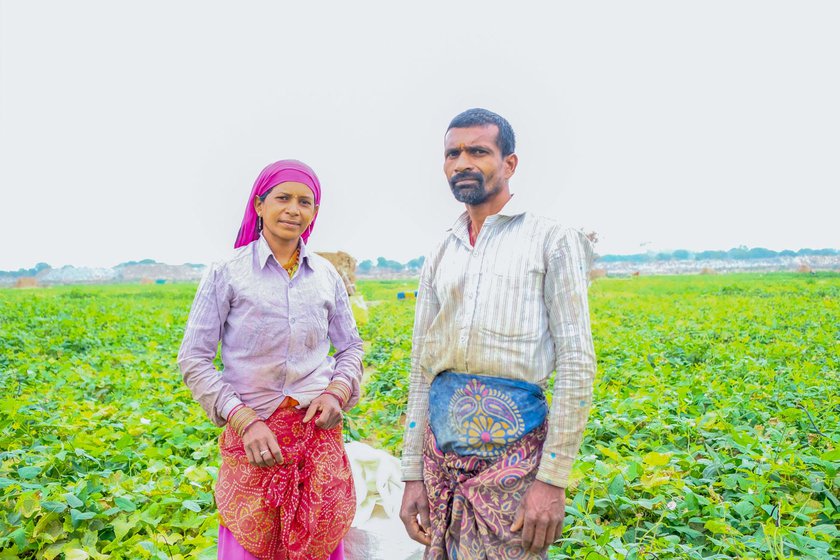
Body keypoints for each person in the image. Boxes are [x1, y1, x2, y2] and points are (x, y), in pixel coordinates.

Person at [398, 109, 597, 559]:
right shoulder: (441, 251)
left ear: (509, 164)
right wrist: (412, 472)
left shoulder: (552, 240)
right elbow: (420, 368)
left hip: (518, 464)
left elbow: (576, 362)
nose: (462, 162)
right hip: (440, 461)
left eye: (478, 151)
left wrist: (552, 480)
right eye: (453, 153)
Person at [178, 159, 363, 560]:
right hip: (254, 440)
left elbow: (351, 348)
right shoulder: (226, 273)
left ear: (314, 213)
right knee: (251, 545)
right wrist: (245, 421)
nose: (293, 209)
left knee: (319, 540)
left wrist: (336, 393)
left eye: (305, 201)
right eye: (282, 198)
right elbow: (194, 359)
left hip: (317, 435)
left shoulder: (326, 275)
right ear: (259, 205)